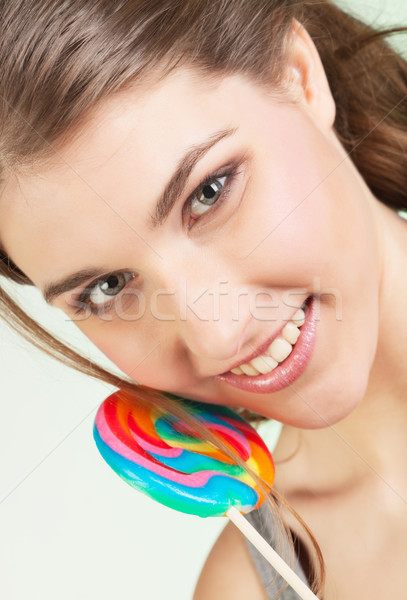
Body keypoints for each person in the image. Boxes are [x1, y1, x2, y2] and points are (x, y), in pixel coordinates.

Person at [0, 1, 406, 598]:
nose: (217, 335)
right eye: (107, 288)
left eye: (209, 193)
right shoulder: (257, 583)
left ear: (300, 77)